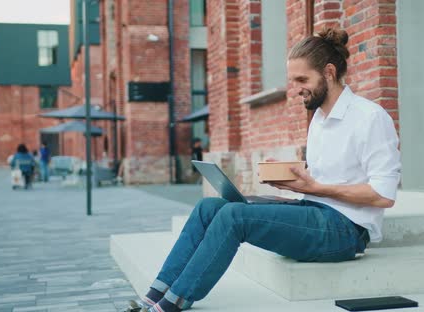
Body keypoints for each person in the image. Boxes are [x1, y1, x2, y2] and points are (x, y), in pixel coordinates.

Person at [123, 28, 401, 312]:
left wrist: (316, 188)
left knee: (234, 217)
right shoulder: (319, 117)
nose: (295, 89)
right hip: (315, 209)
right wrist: (291, 176)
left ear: (329, 72)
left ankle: (171, 304)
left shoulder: (370, 118)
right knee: (210, 208)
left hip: (346, 231)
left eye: (302, 79)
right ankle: (154, 296)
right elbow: (330, 175)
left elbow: (383, 195)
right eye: (293, 80)